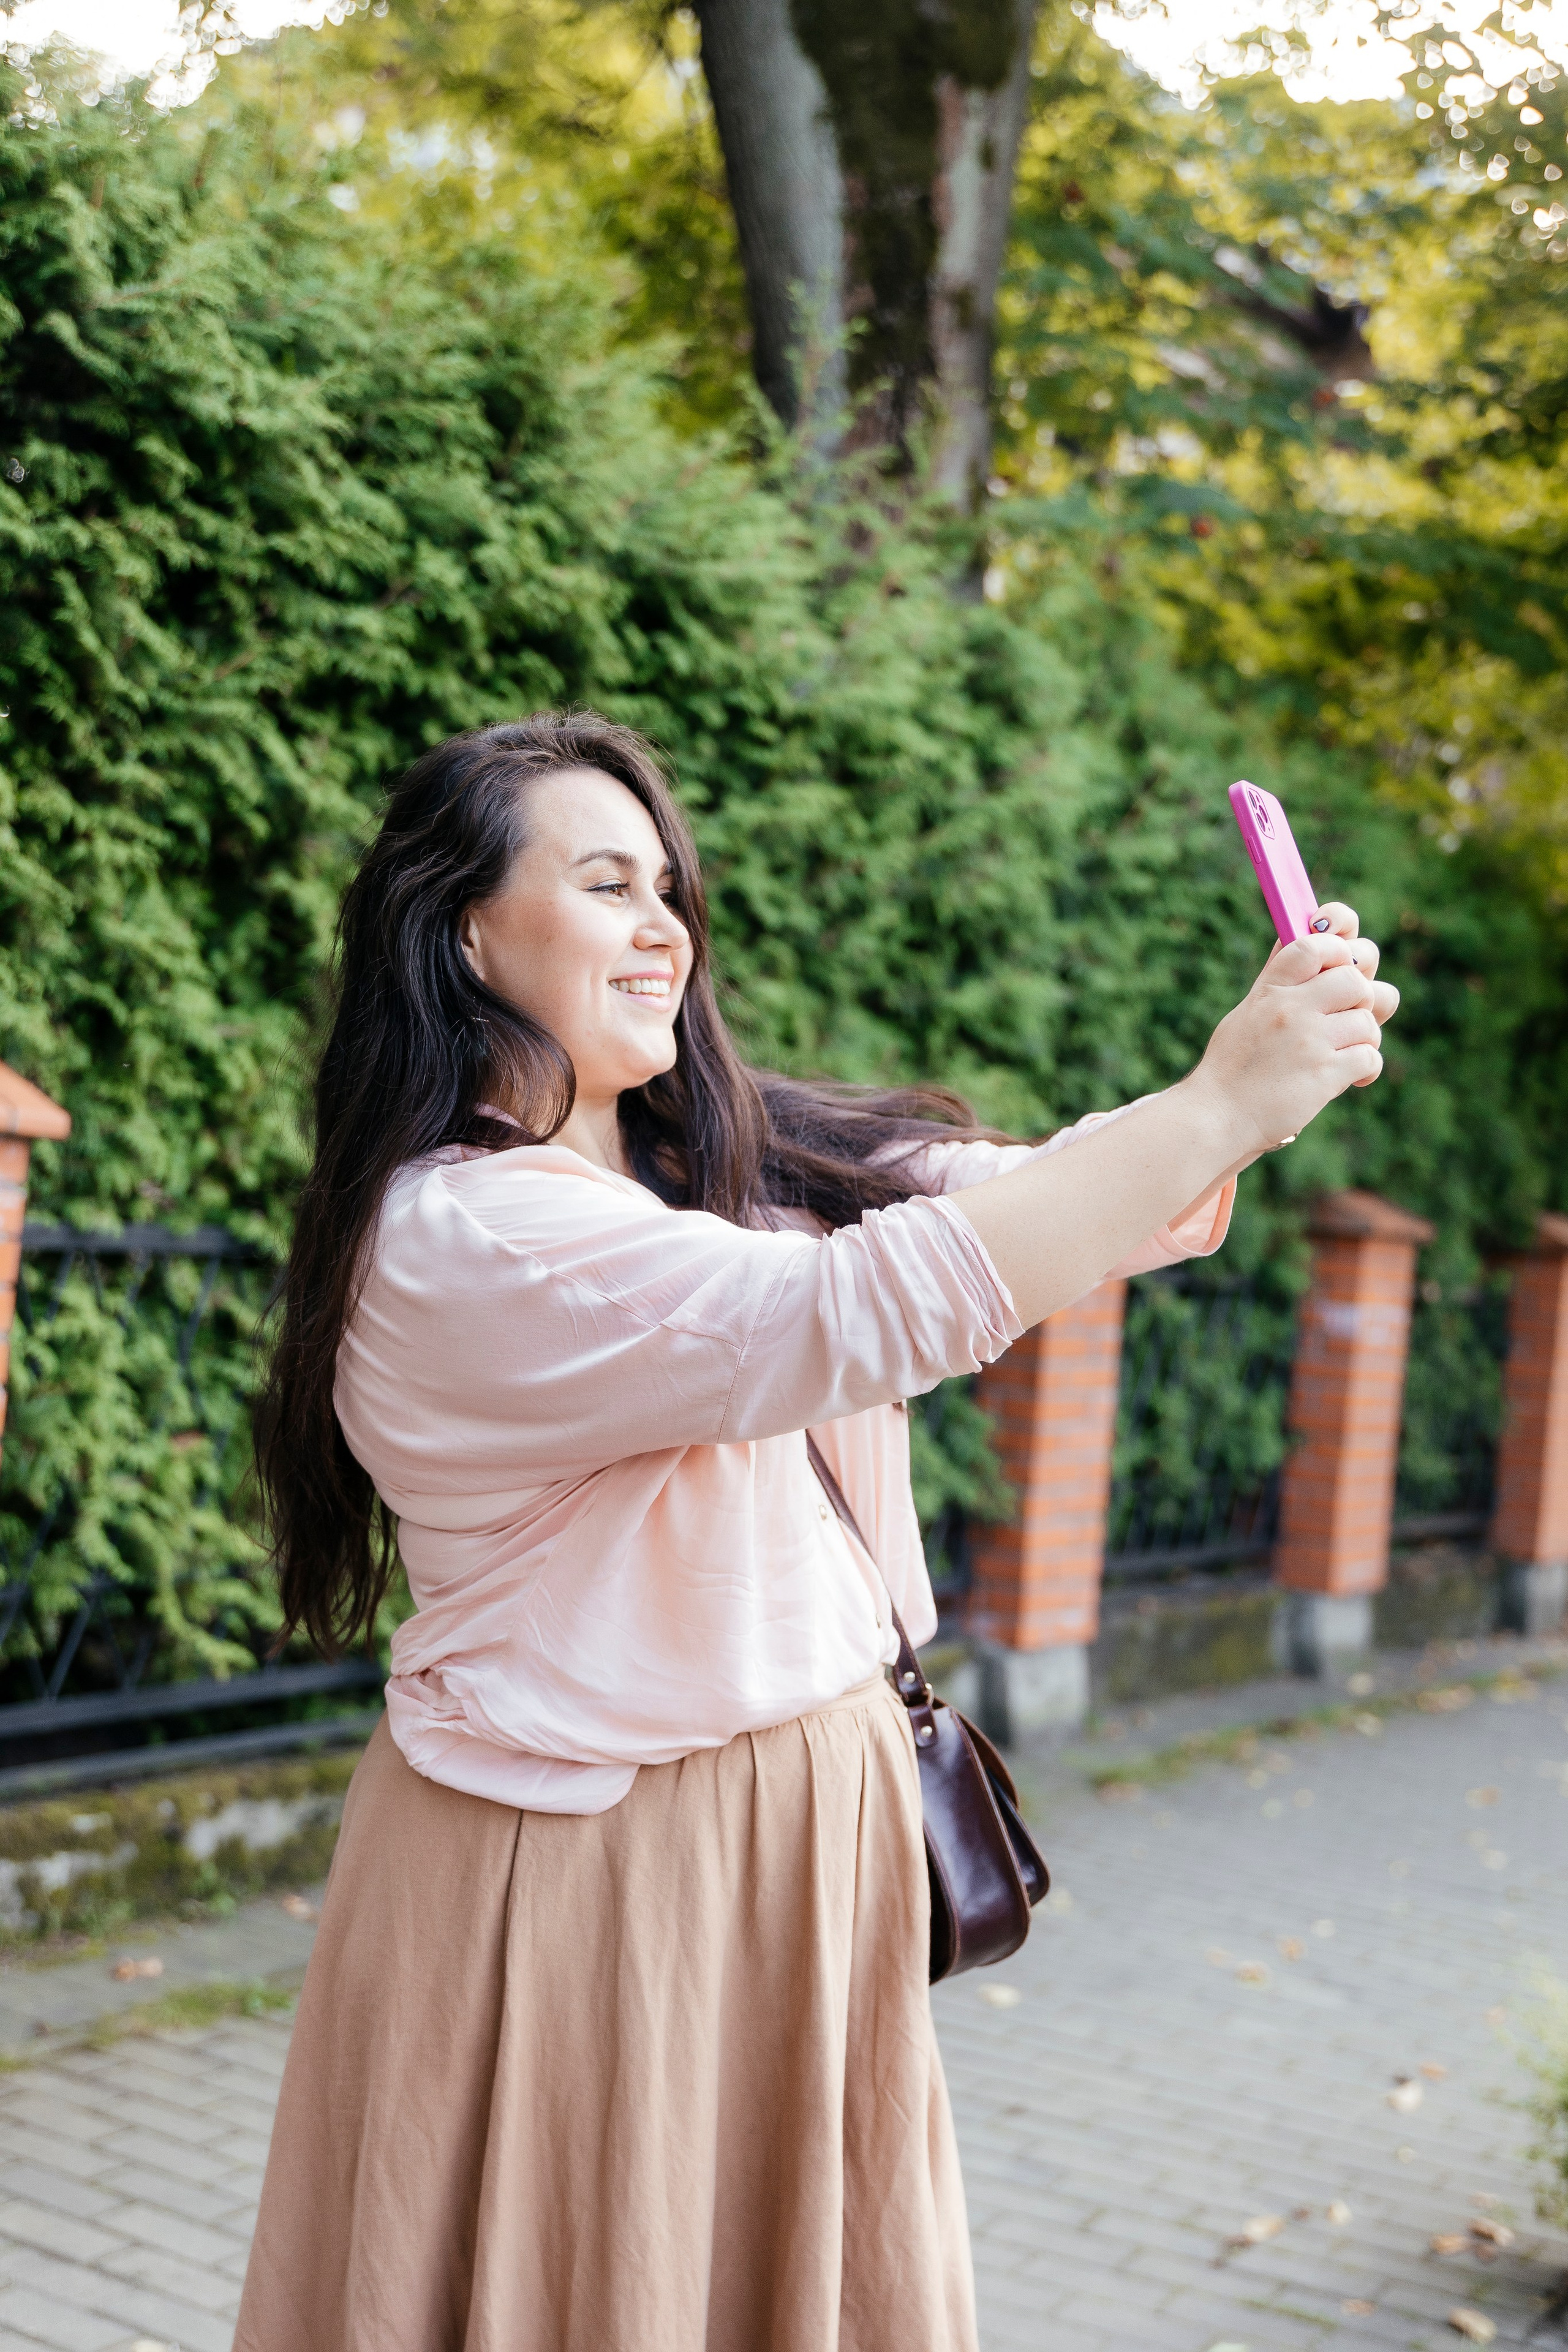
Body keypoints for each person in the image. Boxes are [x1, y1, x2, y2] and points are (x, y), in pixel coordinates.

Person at [235, 710, 1396, 2352]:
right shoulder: (473, 1234)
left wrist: (1253, 1090)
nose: (663, 926)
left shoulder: (712, 1161)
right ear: (468, 933)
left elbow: (1026, 1202)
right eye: (606, 884)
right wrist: (1218, 1102)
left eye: (670, 889)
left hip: (796, 1856)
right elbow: (856, 1311)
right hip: (600, 1880)